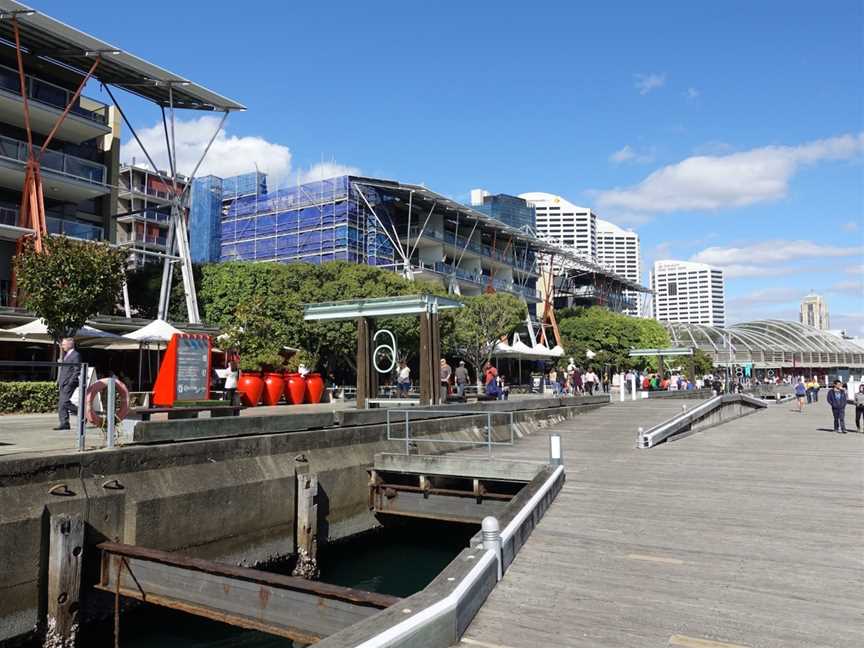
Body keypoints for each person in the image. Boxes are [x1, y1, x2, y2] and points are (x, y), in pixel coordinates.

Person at [55, 337, 81, 430]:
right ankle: (64, 423)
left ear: (70, 344)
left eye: (64, 344)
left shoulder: (76, 355)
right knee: (61, 404)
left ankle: (81, 412)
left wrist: (70, 382)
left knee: (65, 402)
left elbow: (76, 370)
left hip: (69, 383)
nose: (62, 346)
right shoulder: (66, 355)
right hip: (63, 382)